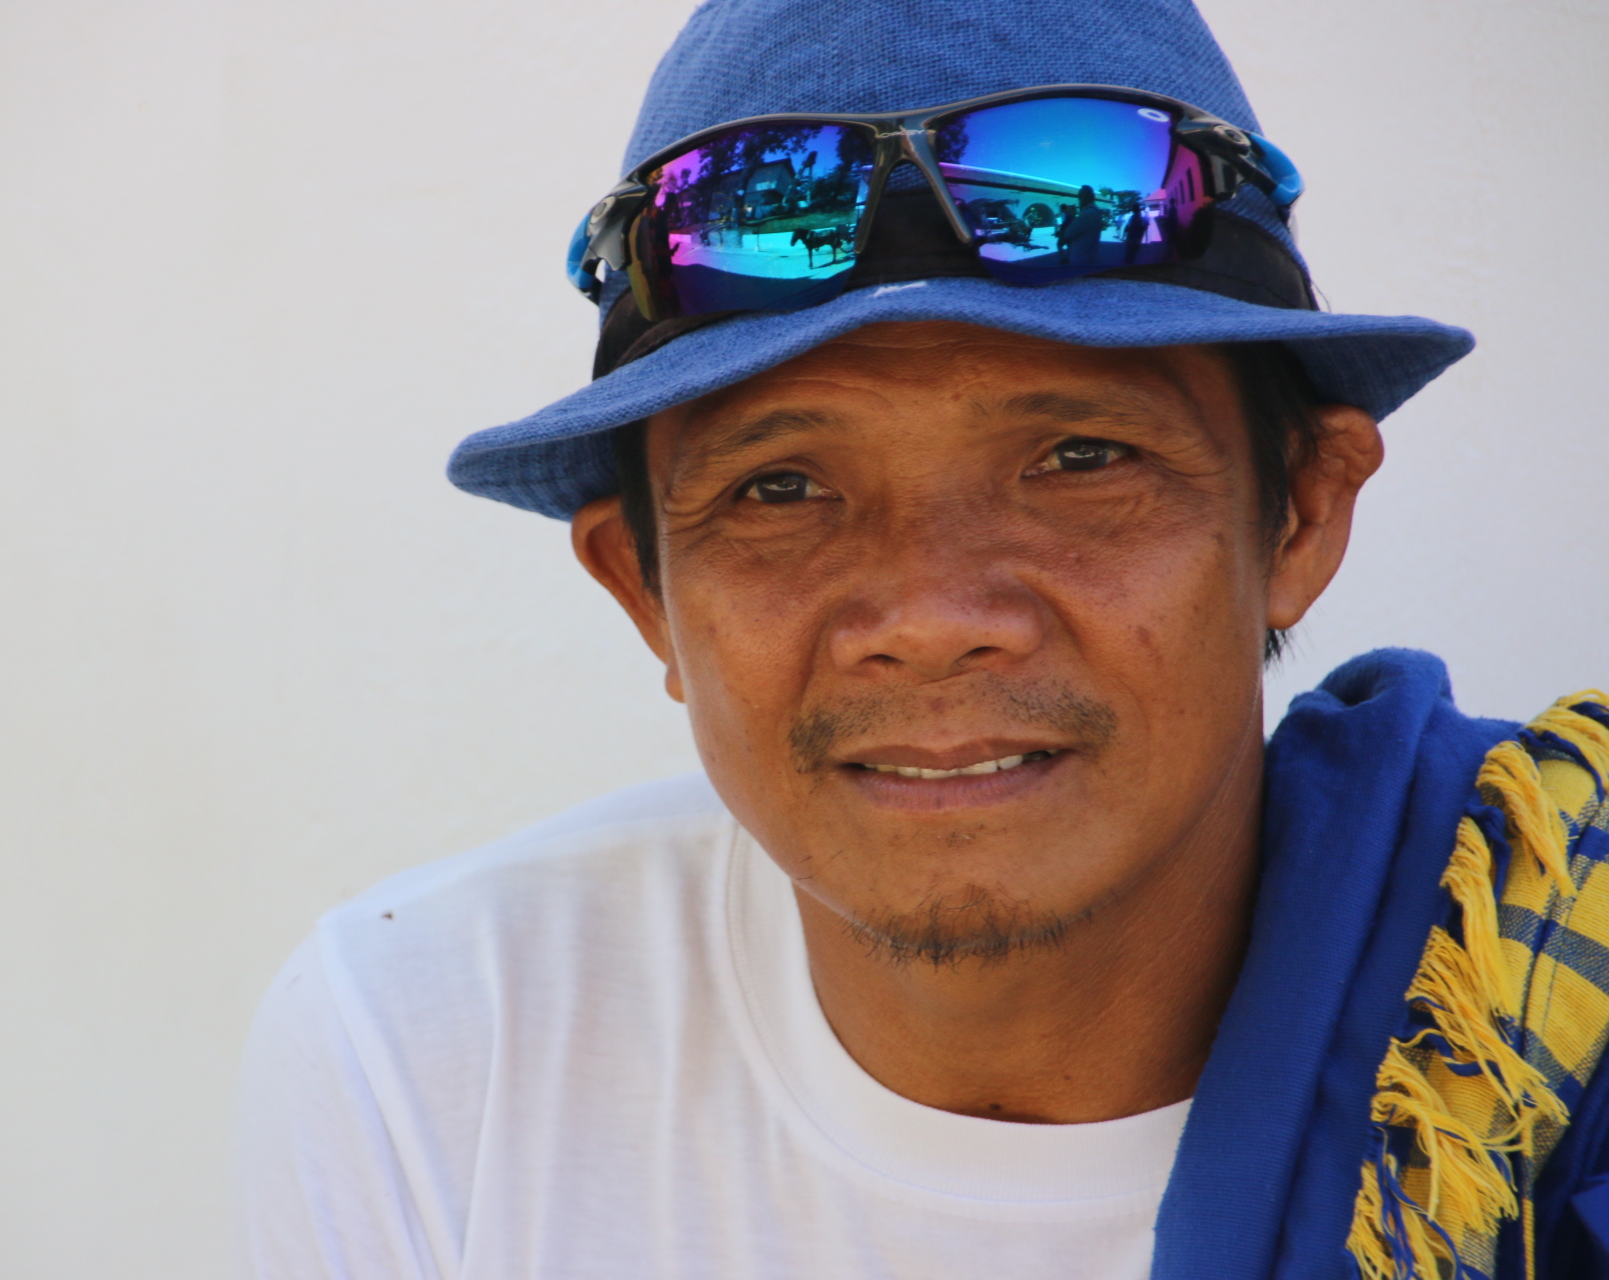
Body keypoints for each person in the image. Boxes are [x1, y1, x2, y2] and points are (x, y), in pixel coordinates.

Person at [232, 2, 1609, 1277]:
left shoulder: (1557, 1025)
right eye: (782, 489)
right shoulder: (438, 1055)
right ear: (641, 588)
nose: (934, 617)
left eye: (1081, 458)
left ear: (1299, 514)